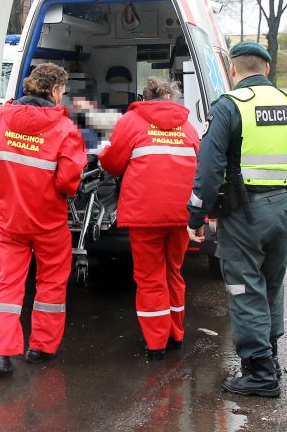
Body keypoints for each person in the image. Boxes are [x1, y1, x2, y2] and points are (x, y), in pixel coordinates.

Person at [186, 41, 287, 398]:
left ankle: (259, 372)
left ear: (234, 70)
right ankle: (270, 357)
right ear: (267, 69)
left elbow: (209, 167)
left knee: (244, 289)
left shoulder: (230, 107)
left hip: (243, 213)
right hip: (282, 208)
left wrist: (197, 214)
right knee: (271, 284)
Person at [0, 63, 86, 378]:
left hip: (9, 218)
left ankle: (2, 354)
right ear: (54, 91)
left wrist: (0, 188)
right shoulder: (64, 128)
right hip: (48, 221)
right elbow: (68, 182)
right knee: (50, 283)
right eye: (62, 91)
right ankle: (41, 348)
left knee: (8, 284)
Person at [98, 77, 200, 361]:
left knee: (149, 278)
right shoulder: (188, 125)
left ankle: (156, 344)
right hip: (182, 213)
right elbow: (200, 163)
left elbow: (113, 162)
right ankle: (175, 335)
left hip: (145, 214)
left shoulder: (131, 122)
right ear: (171, 99)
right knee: (173, 273)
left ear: (144, 97)